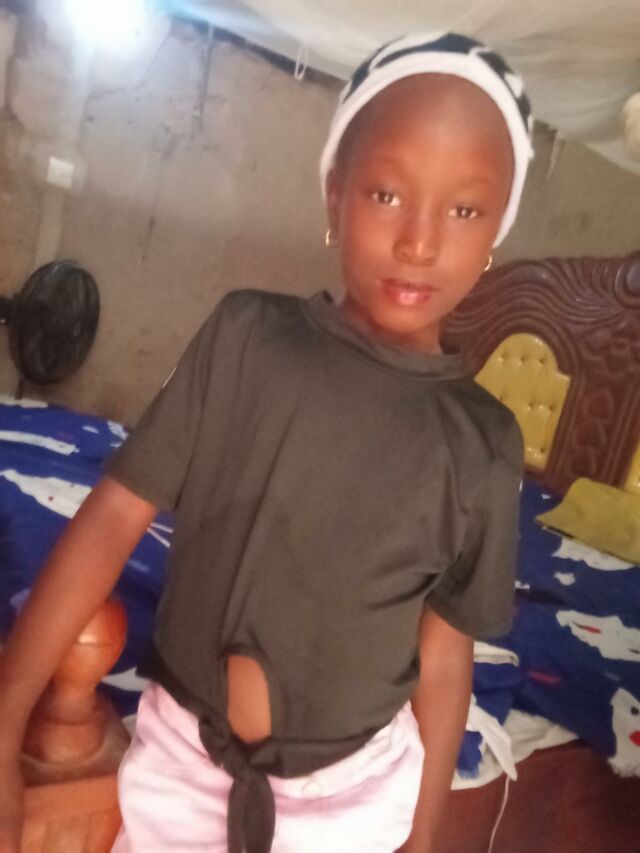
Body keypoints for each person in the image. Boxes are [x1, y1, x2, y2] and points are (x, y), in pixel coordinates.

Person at [0, 31, 533, 853]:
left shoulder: (483, 441)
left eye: (464, 210)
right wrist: (6, 717)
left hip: (355, 803)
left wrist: (425, 837)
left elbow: (445, 648)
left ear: (497, 229)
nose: (420, 242)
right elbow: (113, 515)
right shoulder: (248, 337)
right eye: (386, 193)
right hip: (180, 769)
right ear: (334, 195)